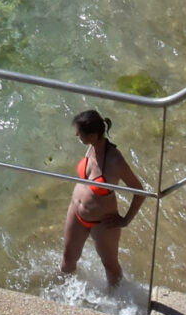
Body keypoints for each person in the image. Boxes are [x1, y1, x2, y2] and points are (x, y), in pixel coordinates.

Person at [60, 107, 145, 290]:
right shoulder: (91, 148)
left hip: (102, 223)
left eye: (79, 132)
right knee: (67, 259)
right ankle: (62, 296)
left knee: (110, 266)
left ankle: (118, 305)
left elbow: (139, 191)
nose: (76, 135)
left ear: (92, 135)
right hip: (76, 212)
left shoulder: (115, 161)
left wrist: (125, 220)